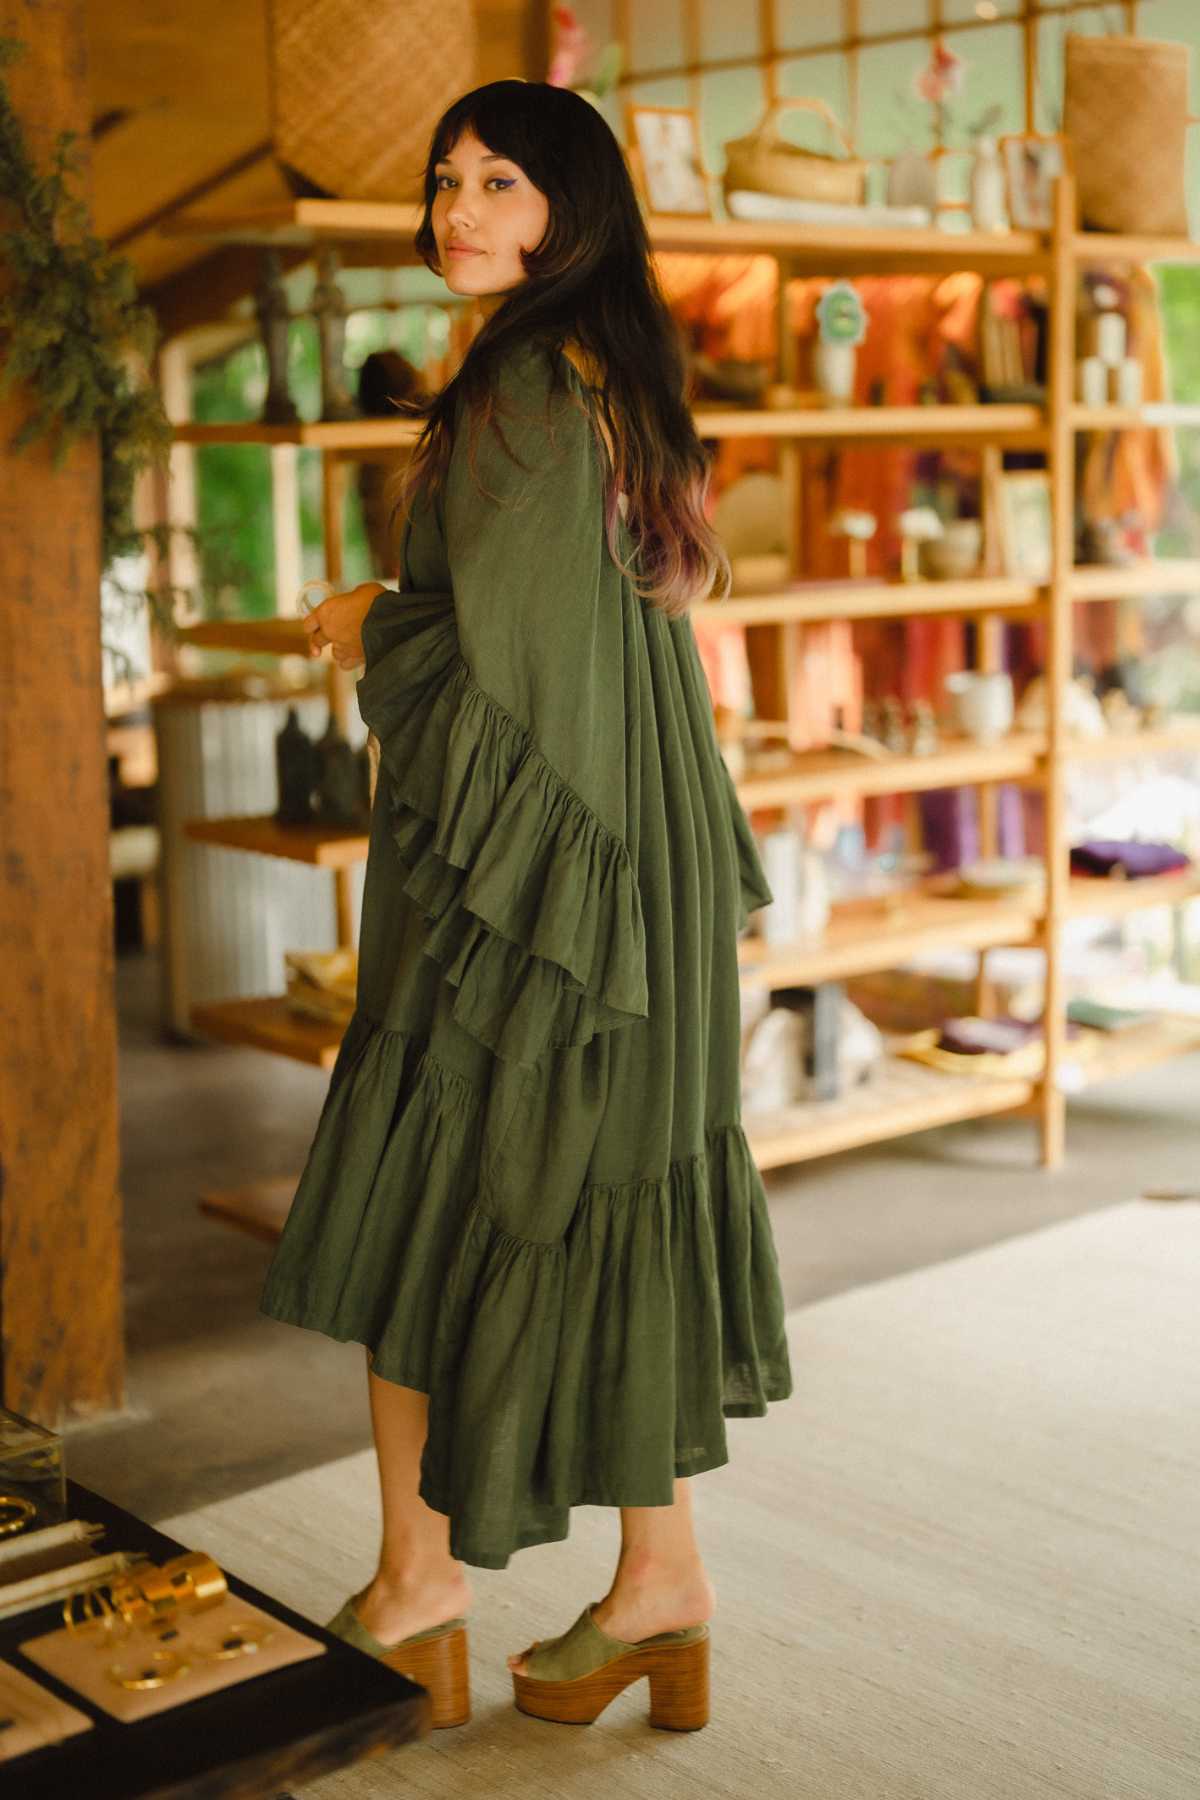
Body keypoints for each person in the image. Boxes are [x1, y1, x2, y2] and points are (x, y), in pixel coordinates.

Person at [259, 78, 793, 1732]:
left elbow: (489, 674)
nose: (459, 208)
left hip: (535, 876)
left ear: (572, 205)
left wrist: (367, 614)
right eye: (444, 181)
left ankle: (426, 1583)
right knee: (599, 1187)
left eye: (500, 180)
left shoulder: (513, 396)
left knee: (432, 1188)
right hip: (631, 852)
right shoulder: (610, 374)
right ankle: (661, 1583)